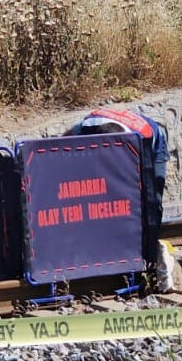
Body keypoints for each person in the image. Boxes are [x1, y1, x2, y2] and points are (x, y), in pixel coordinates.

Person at [69, 107, 170, 259]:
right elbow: (63, 142)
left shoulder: (141, 141)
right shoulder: (87, 126)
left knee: (152, 201)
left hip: (154, 145)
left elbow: (141, 185)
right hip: (111, 125)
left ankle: (149, 249)